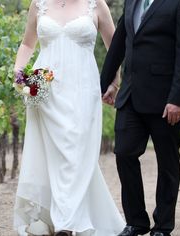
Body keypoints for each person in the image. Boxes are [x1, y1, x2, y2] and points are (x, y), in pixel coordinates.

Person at [13, 0, 125, 235]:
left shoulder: (96, 5)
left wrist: (115, 81)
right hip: (45, 88)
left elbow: (115, 47)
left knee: (77, 152)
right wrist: (19, 71)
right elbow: (27, 44)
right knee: (51, 154)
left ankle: (67, 220)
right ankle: (59, 220)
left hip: (83, 88)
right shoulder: (39, 4)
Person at [101, 0, 180, 235]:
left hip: (166, 99)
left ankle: (163, 225)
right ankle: (136, 221)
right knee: (124, 153)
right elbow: (119, 43)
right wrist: (104, 83)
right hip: (131, 95)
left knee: (167, 162)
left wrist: (177, 98)